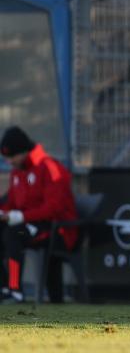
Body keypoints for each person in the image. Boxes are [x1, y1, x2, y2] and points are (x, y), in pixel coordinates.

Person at [0, 127, 77, 304]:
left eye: (13, 156)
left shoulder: (49, 167)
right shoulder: (18, 172)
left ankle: (15, 290)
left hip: (57, 229)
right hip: (30, 225)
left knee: (13, 234)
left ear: (24, 150)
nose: (10, 161)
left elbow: (54, 208)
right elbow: (11, 202)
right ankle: (4, 286)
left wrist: (21, 217)